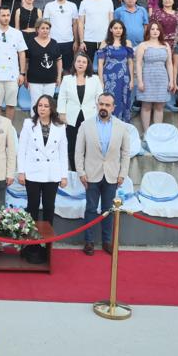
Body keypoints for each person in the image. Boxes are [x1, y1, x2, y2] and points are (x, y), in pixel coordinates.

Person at [75, 93, 132, 255]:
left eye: (107, 105)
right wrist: (81, 172)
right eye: (101, 104)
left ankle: (107, 242)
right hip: (91, 174)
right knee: (91, 209)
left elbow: (126, 153)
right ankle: (89, 242)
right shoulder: (85, 125)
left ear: (113, 107)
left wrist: (122, 174)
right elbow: (78, 152)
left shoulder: (122, 127)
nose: (104, 108)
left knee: (109, 210)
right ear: (97, 105)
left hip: (112, 176)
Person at [0, 7, 27, 121]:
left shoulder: (17, 33)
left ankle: (8, 129)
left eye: (8, 15)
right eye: (3, 15)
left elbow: (22, 53)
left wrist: (22, 73)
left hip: (13, 75)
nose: (6, 18)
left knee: (11, 105)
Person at [135, 22, 174, 130]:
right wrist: (140, 81)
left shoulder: (165, 45)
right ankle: (146, 133)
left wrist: (171, 81)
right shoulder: (143, 45)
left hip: (162, 78)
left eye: (157, 29)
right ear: (148, 31)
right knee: (146, 106)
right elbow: (138, 63)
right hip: (147, 76)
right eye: (152, 29)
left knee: (159, 107)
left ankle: (156, 133)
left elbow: (169, 63)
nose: (155, 31)